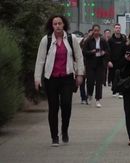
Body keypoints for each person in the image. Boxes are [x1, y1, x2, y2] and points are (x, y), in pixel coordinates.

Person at [34, 15, 85, 146]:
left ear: (64, 25)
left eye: (59, 23)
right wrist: (37, 78)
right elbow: (40, 60)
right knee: (53, 107)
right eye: (55, 24)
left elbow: (79, 57)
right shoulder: (46, 40)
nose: (57, 26)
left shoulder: (70, 38)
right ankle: (54, 137)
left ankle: (65, 130)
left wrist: (80, 74)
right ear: (52, 26)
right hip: (51, 78)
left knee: (67, 105)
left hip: (67, 78)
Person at [82, 24, 110, 108]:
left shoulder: (103, 40)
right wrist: (92, 52)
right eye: (95, 30)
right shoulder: (88, 40)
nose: (96, 32)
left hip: (100, 63)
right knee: (90, 81)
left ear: (100, 31)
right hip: (90, 63)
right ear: (92, 31)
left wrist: (104, 54)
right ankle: (89, 94)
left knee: (99, 82)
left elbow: (108, 51)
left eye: (98, 30)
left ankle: (98, 99)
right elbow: (84, 52)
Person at [108, 23, 127, 98]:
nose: (118, 29)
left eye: (119, 28)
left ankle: (121, 92)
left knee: (121, 76)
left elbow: (126, 49)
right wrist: (108, 61)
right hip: (113, 61)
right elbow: (108, 51)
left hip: (122, 61)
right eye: (116, 28)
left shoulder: (123, 39)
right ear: (114, 29)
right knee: (113, 76)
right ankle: (114, 90)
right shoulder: (110, 40)